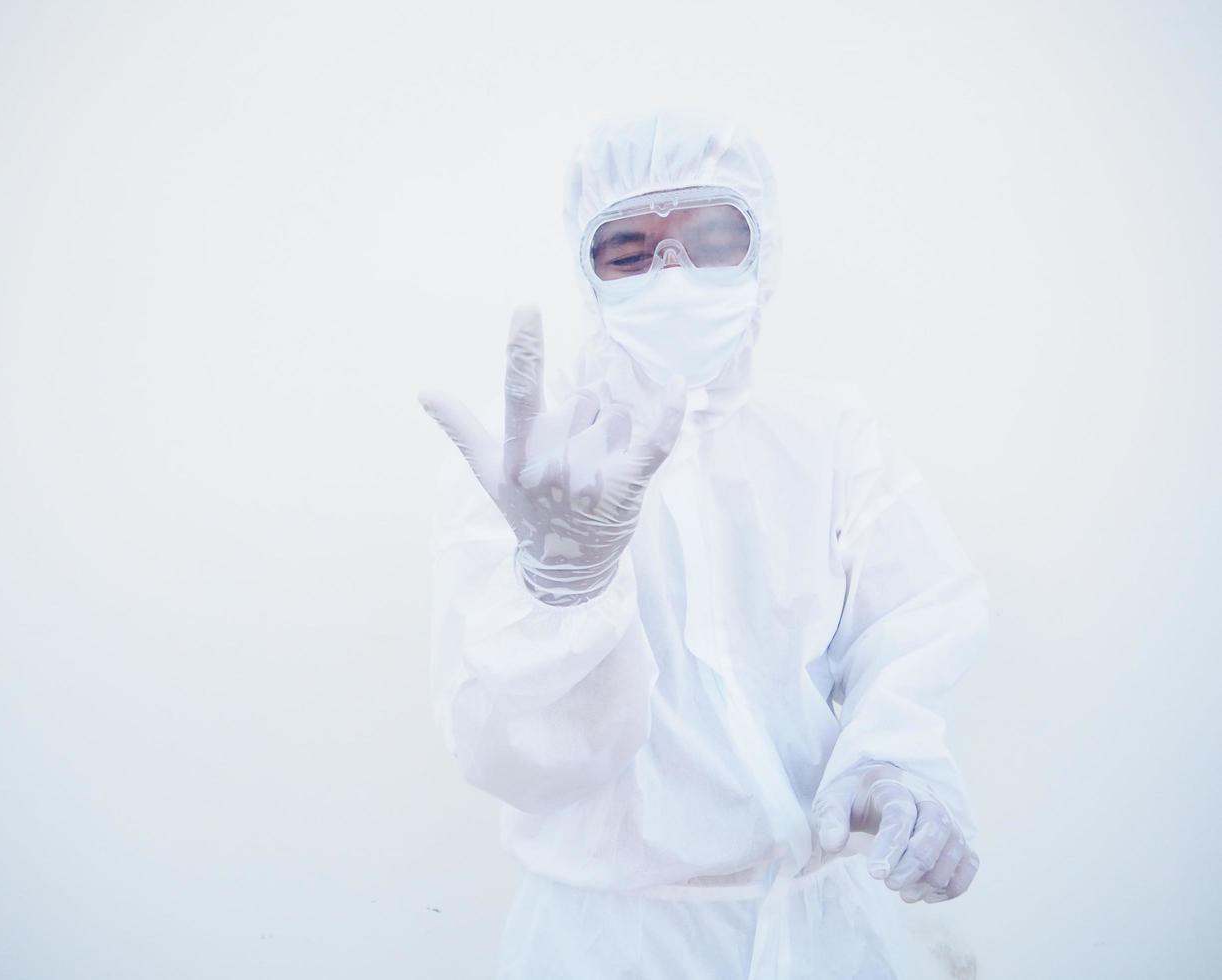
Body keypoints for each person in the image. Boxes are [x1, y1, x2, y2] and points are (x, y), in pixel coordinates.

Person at [417, 111, 987, 979]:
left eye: (711, 235)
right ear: (587, 267)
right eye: (630, 248)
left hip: (823, 928)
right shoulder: (528, 463)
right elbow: (509, 761)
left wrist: (889, 765)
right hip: (611, 944)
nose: (672, 274)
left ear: (762, 248)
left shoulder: (823, 431)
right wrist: (560, 591)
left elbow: (912, 619)